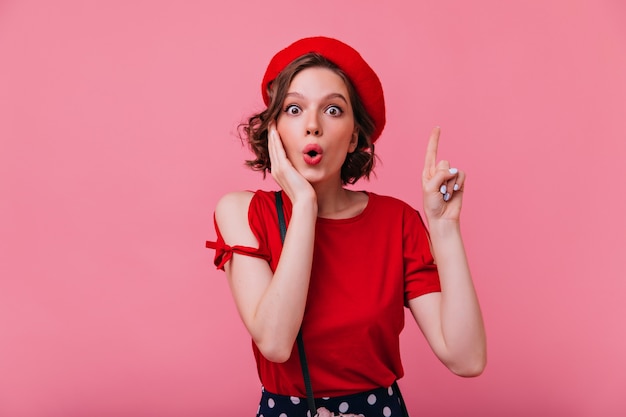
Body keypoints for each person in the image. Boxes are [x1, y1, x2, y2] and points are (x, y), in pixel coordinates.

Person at [206, 36, 486, 417]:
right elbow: (275, 341)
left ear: (354, 136)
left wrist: (445, 227)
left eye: (333, 110)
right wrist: (304, 203)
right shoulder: (242, 212)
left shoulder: (396, 222)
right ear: (273, 131)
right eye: (293, 109)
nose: (312, 125)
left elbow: (466, 358)